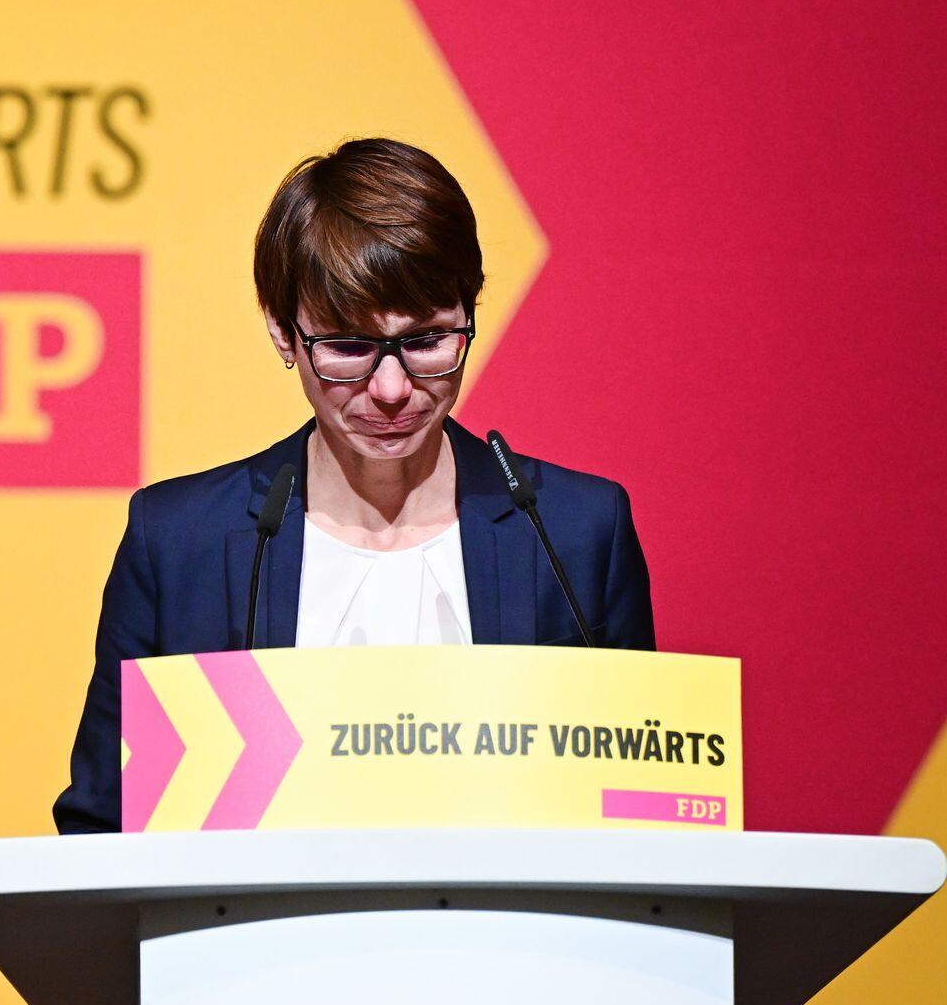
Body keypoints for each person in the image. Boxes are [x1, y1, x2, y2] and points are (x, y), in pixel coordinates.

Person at [52, 137, 656, 835]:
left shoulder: (576, 535)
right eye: (347, 347)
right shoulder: (180, 544)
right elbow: (101, 832)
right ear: (283, 332)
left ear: (470, 315)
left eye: (427, 341)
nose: (392, 389)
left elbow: (639, 814)